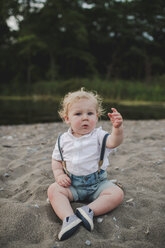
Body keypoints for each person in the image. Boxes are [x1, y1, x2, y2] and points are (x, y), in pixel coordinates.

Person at [48, 88, 124, 241]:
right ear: (67, 118)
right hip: (73, 185)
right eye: (78, 114)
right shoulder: (62, 139)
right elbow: (56, 161)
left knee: (117, 194)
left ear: (96, 117)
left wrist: (117, 129)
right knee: (53, 190)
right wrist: (59, 175)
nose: (85, 118)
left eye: (90, 114)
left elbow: (114, 142)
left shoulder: (99, 136)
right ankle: (69, 218)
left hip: (98, 184)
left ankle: (88, 210)